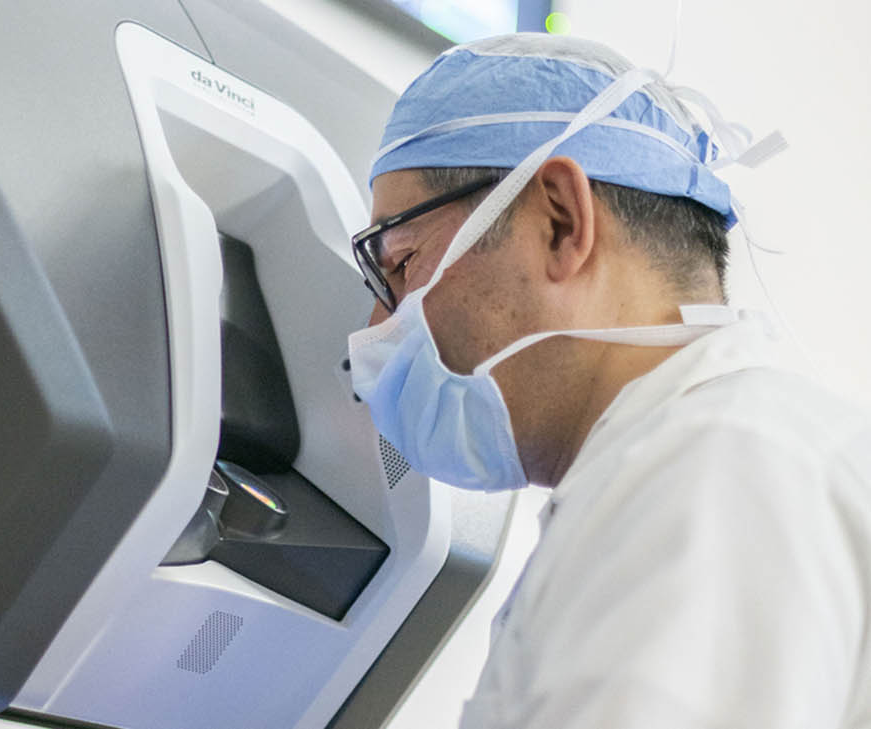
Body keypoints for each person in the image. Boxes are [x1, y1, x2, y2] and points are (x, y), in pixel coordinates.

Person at [346, 33, 871, 728]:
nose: (379, 322)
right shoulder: (688, 463)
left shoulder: (712, 472)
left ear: (562, 220)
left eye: (401, 261)